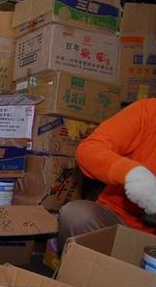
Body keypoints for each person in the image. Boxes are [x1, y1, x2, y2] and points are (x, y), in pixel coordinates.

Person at [58, 98, 156, 250]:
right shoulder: (148, 111)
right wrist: (132, 174)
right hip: (118, 219)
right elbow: (89, 149)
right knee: (77, 216)